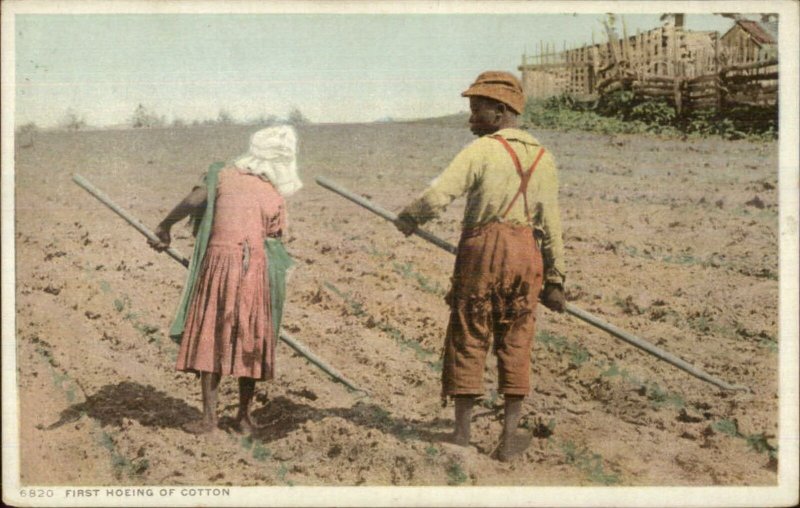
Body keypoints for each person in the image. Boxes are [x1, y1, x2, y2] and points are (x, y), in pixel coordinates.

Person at [394, 71, 566, 462]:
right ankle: (508, 439)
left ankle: (461, 434)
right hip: (527, 255)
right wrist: (555, 279)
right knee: (517, 339)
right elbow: (552, 224)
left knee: (469, 332)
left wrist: (410, 218)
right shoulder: (545, 157)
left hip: (483, 252)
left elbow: (440, 193)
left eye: (477, 110)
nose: (470, 118)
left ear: (501, 111)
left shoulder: (480, 151)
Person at [149, 125, 301, 434]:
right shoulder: (274, 194)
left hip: (220, 265)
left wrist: (165, 226)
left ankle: (209, 419)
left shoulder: (222, 175)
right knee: (251, 338)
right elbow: (278, 239)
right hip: (256, 271)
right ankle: (244, 418)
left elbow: (194, 201)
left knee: (212, 334)